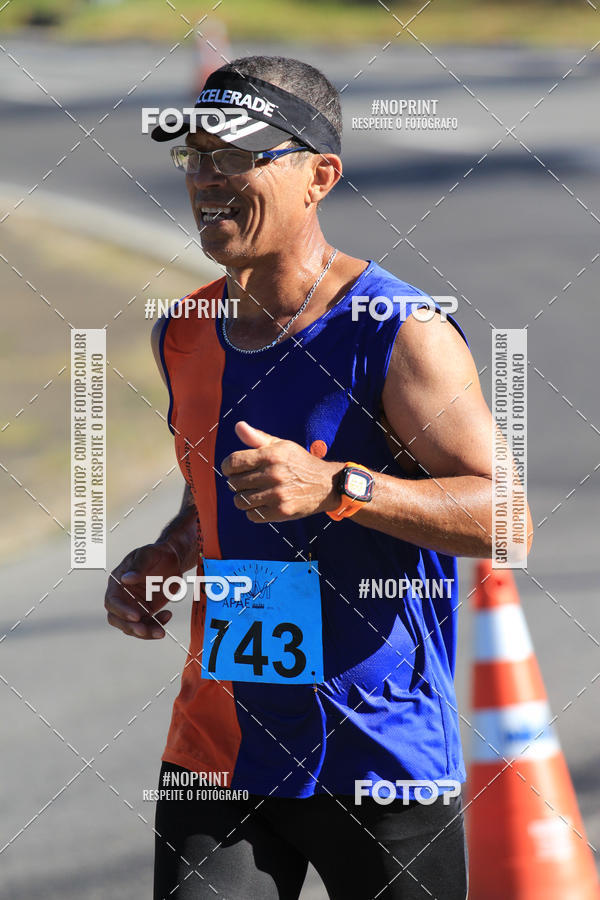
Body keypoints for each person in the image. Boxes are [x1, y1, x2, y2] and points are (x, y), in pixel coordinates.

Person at [105, 55, 532, 900]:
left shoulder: (396, 330)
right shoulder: (184, 333)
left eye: (235, 156)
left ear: (319, 176)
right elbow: (211, 494)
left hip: (378, 754)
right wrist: (168, 552)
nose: (206, 179)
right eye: (193, 156)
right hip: (219, 744)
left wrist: (340, 485)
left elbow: (508, 516)